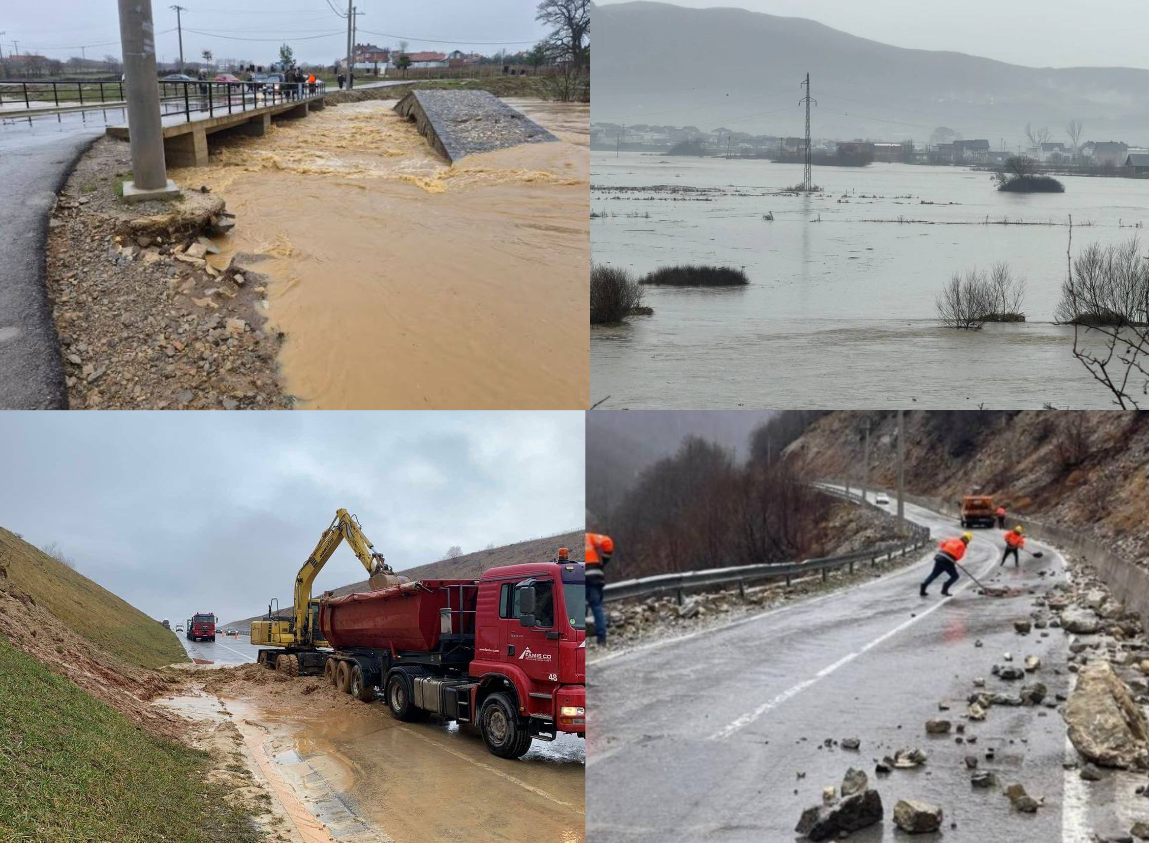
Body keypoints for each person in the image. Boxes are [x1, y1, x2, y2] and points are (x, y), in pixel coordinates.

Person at [920, 532, 972, 597]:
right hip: (947, 560)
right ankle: (944, 589)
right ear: (967, 540)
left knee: (934, 574)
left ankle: (923, 587)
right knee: (955, 576)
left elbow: (942, 545)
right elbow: (958, 556)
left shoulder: (953, 539)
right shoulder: (962, 545)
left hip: (939, 557)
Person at [585, 532, 614, 645]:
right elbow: (608, 543)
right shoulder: (588, 537)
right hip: (594, 574)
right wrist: (603, 562)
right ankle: (602, 639)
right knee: (596, 607)